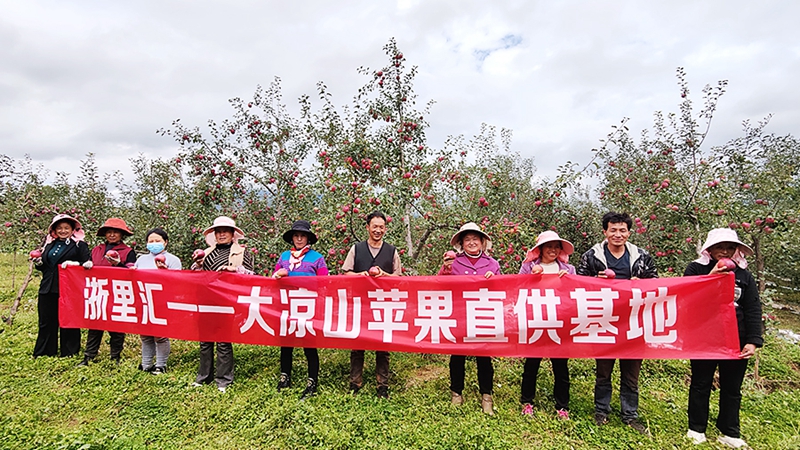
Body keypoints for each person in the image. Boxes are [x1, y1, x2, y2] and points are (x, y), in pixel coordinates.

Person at [576, 211, 657, 435]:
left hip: (634, 321)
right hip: (604, 320)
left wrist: (641, 284)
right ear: (605, 232)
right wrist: (595, 281)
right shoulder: (592, 256)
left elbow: (657, 283)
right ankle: (601, 410)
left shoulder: (641, 256)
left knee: (631, 372)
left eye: (622, 230)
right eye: (613, 230)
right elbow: (578, 284)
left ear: (629, 233)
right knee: (603, 369)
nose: (618, 234)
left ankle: (630, 414)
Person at [683, 228, 763, 448]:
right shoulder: (696, 269)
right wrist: (711, 278)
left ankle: (729, 431)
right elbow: (686, 297)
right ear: (710, 249)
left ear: (736, 250)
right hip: (705, 336)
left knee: (732, 387)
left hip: (735, 338)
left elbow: (753, 308)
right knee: (701, 383)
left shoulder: (744, 275)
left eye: (730, 247)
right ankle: (696, 428)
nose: (725, 251)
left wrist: (753, 340)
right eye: (720, 247)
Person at [438, 222, 500, 415]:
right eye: (467, 240)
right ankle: (457, 393)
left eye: (475, 239)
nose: (471, 243)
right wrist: (445, 270)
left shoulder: (493, 264)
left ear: (482, 242)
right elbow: (439, 285)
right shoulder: (454, 262)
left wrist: (495, 280)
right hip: (460, 315)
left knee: (484, 358)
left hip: (483, 315)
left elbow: (504, 289)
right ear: (461, 244)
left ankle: (486, 397)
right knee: (457, 357)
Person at [341, 211, 402, 399]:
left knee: (382, 346)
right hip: (361, 304)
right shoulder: (356, 249)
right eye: (374, 226)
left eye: (381, 227)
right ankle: (355, 382)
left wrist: (385, 275)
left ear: (385, 228)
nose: (378, 230)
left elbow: (398, 278)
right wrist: (360, 275)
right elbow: (345, 273)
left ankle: (382, 385)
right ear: (367, 228)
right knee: (357, 344)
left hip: (384, 304)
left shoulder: (391, 251)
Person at [190, 216, 254, 393]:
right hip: (206, 300)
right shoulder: (206, 252)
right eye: (218, 231)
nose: (221, 234)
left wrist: (234, 270)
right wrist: (197, 264)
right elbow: (195, 275)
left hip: (227, 301)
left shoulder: (241, 253)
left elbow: (251, 275)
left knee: (223, 341)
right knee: (205, 341)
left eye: (225, 231)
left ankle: (224, 379)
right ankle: (204, 376)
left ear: (233, 234)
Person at [518, 230, 575, 419]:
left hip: (559, 322)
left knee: (560, 366)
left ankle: (562, 406)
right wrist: (531, 279)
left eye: (556, 247)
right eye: (549, 246)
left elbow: (576, 295)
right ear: (540, 249)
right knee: (531, 364)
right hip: (535, 321)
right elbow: (518, 289)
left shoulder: (569, 270)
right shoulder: (528, 267)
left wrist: (567, 281)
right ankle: (527, 402)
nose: (553, 250)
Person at [272, 220, 329, 399]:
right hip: (287, 305)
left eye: (302, 236)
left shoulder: (317, 258)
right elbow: (272, 279)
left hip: (308, 307)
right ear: (292, 238)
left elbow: (324, 282)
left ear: (308, 238)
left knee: (309, 345)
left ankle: (312, 381)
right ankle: (285, 376)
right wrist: (279, 275)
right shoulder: (284, 257)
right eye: (296, 236)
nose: (299, 239)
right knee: (286, 343)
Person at [78, 218, 137, 367]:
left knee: (116, 326)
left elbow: (132, 272)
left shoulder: (128, 252)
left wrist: (119, 265)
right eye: (109, 232)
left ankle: (115, 356)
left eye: (115, 232)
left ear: (121, 234)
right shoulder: (97, 250)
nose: (112, 235)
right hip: (98, 291)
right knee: (95, 324)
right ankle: (89, 356)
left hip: (117, 292)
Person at [31, 214, 91, 358]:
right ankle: (45, 351)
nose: (63, 231)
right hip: (48, 287)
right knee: (46, 320)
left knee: (68, 319)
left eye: (66, 228)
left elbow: (87, 264)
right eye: (59, 228)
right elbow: (46, 267)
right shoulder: (49, 244)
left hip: (68, 288)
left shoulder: (79, 245)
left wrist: (75, 265)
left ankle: (69, 351)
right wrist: (38, 263)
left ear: (72, 230)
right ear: (54, 230)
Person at [134, 227, 182, 375]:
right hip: (144, 301)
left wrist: (165, 272)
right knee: (145, 334)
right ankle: (146, 364)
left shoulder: (173, 260)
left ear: (165, 242)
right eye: (151, 241)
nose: (154, 243)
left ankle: (161, 365)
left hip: (162, 301)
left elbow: (179, 282)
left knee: (160, 335)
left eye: (158, 241)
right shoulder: (141, 259)